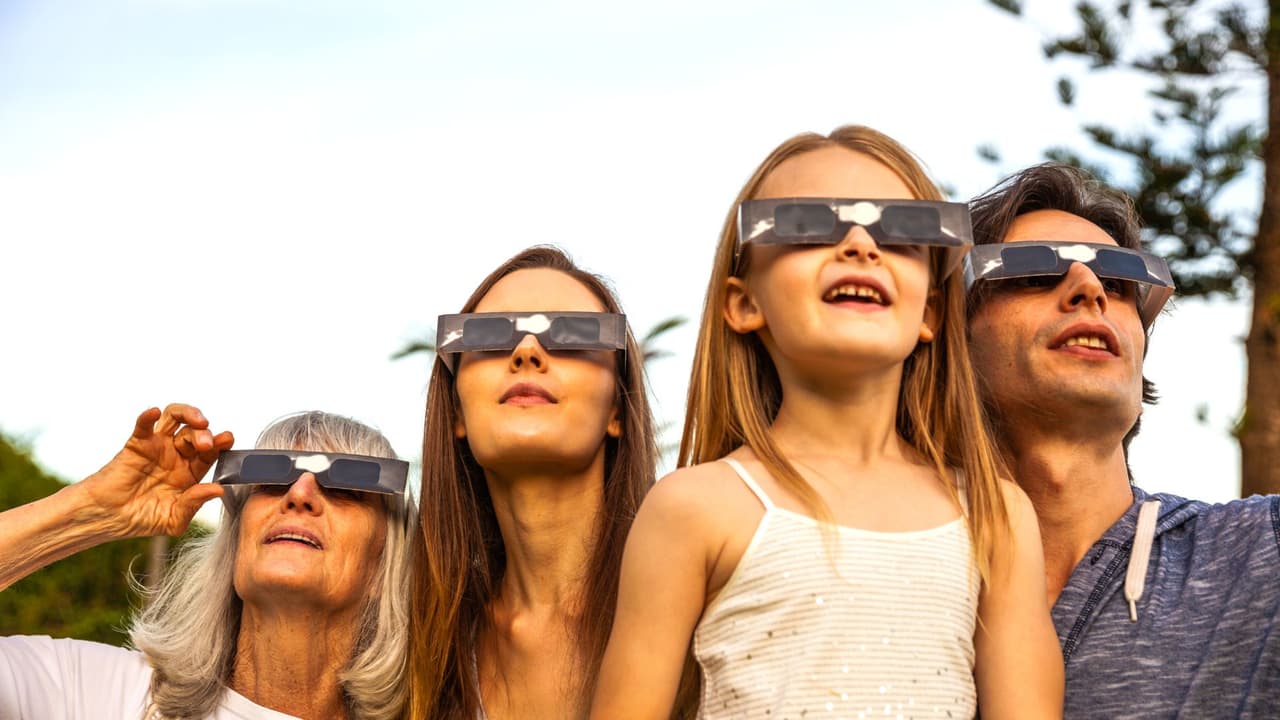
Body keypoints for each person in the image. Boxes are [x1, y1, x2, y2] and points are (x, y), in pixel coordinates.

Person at [591, 126, 1063, 719]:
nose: (861, 244)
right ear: (744, 303)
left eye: (902, 232)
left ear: (931, 312)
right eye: (806, 226)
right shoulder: (691, 508)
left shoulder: (997, 516)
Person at [965, 162, 1280, 718]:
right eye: (1035, 271)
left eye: (1117, 281)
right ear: (948, 337)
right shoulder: (879, 570)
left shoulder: (1263, 551)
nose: (1090, 290)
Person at [0, 405, 414, 720]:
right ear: (234, 545)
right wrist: (92, 513)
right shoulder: (92, 693)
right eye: (271, 479)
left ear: (385, 566)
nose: (300, 493)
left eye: (346, 487)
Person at [405, 246, 659, 719]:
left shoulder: (696, 608)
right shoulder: (418, 652)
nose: (526, 352)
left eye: (572, 333)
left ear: (617, 410)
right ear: (457, 411)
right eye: (489, 335)